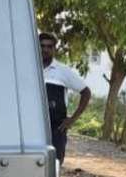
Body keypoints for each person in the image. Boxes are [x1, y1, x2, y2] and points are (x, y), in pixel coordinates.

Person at [39, 32, 91, 163]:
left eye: (49, 46)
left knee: (54, 166)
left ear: (54, 49)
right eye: (42, 46)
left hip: (56, 129)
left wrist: (72, 119)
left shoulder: (63, 71)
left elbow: (86, 92)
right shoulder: (29, 68)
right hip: (33, 127)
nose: (45, 49)